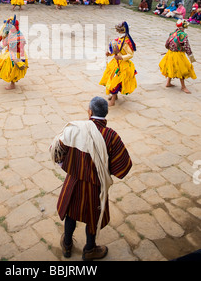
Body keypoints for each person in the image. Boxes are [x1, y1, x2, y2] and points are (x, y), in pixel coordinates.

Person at [50, 96, 132, 261]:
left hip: (73, 182)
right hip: (96, 187)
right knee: (93, 218)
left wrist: (66, 165)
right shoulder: (111, 136)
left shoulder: (75, 129)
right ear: (106, 113)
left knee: (71, 214)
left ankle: (66, 244)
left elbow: (55, 150)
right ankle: (89, 249)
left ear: (89, 112)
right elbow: (122, 168)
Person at [99, 21, 137, 107]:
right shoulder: (118, 40)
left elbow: (130, 54)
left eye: (120, 31)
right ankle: (114, 96)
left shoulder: (127, 42)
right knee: (112, 79)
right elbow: (115, 51)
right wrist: (109, 53)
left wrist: (122, 57)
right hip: (115, 63)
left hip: (123, 65)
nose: (119, 33)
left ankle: (113, 100)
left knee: (116, 81)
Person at [159, 19, 196, 94]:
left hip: (170, 53)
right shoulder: (183, 35)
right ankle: (183, 87)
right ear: (184, 26)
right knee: (181, 70)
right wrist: (191, 56)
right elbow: (187, 46)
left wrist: (170, 49)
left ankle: (168, 83)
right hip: (178, 54)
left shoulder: (172, 33)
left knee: (171, 67)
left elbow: (166, 44)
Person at [0, 15, 28, 90]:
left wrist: (0, 49)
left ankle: (12, 84)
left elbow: (5, 43)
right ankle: (14, 80)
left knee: (11, 68)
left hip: (13, 55)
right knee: (15, 68)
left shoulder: (13, 35)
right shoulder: (19, 34)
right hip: (17, 53)